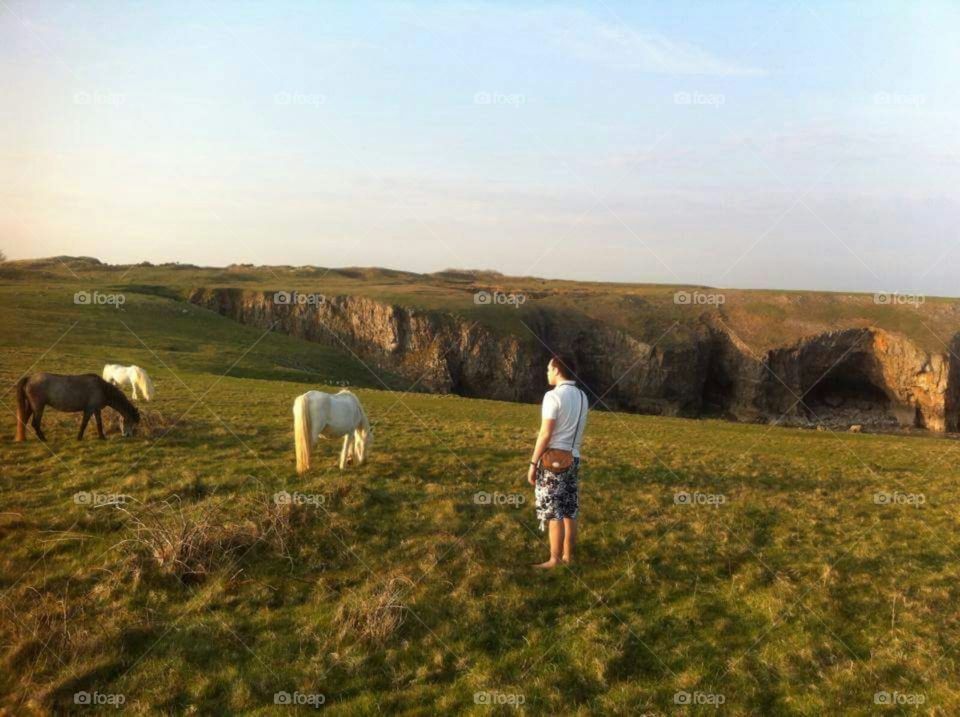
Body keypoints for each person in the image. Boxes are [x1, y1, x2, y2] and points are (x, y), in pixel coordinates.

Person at [527, 354, 588, 569]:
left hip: (553, 461)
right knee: (569, 509)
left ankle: (553, 560)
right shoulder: (582, 396)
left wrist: (533, 463)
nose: (547, 373)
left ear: (557, 370)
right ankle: (568, 557)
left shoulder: (552, 397)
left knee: (554, 512)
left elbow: (545, 433)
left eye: (548, 369)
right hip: (574, 457)